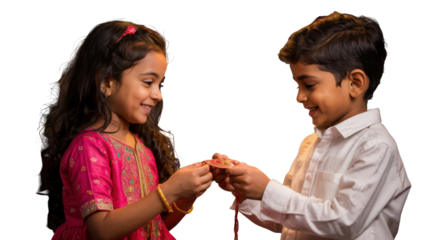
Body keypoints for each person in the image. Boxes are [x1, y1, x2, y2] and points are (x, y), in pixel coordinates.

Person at [208, 11, 413, 239]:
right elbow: (288, 219)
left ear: (355, 83)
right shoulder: (310, 143)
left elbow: (343, 222)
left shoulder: (376, 147)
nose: (299, 97)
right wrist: (245, 192)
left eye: (310, 85)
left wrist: (267, 189)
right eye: (297, 85)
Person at [34, 18, 229, 240]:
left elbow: (155, 226)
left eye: (161, 84)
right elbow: (102, 230)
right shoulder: (88, 148)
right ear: (107, 82)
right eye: (148, 82)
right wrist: (170, 190)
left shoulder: (142, 146)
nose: (158, 94)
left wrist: (188, 194)